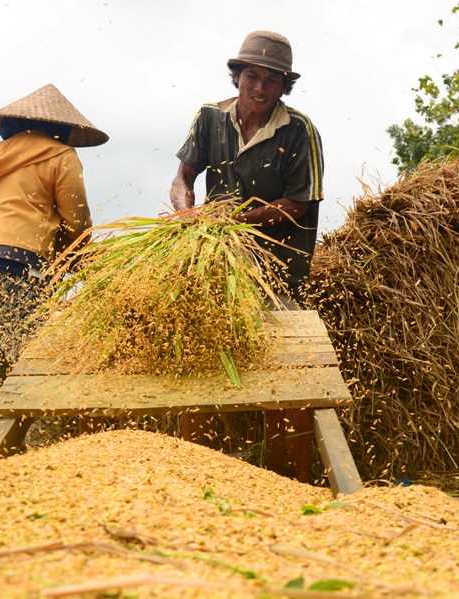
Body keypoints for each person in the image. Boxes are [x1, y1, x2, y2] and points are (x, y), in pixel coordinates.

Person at [169, 31, 325, 481]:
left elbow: (300, 202)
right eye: (251, 76)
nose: (259, 88)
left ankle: (288, 484)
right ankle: (194, 477)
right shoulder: (209, 118)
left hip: (277, 269)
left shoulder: (299, 131)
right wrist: (188, 213)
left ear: (283, 87)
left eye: (271, 81)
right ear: (237, 76)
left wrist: (235, 222)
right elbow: (182, 177)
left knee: (287, 375)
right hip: (216, 265)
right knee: (201, 363)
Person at [0, 83, 108, 463]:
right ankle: (45, 466)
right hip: (16, 274)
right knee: (40, 373)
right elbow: (76, 220)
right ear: (60, 129)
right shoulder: (60, 154)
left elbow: (10, 213)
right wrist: (82, 257)